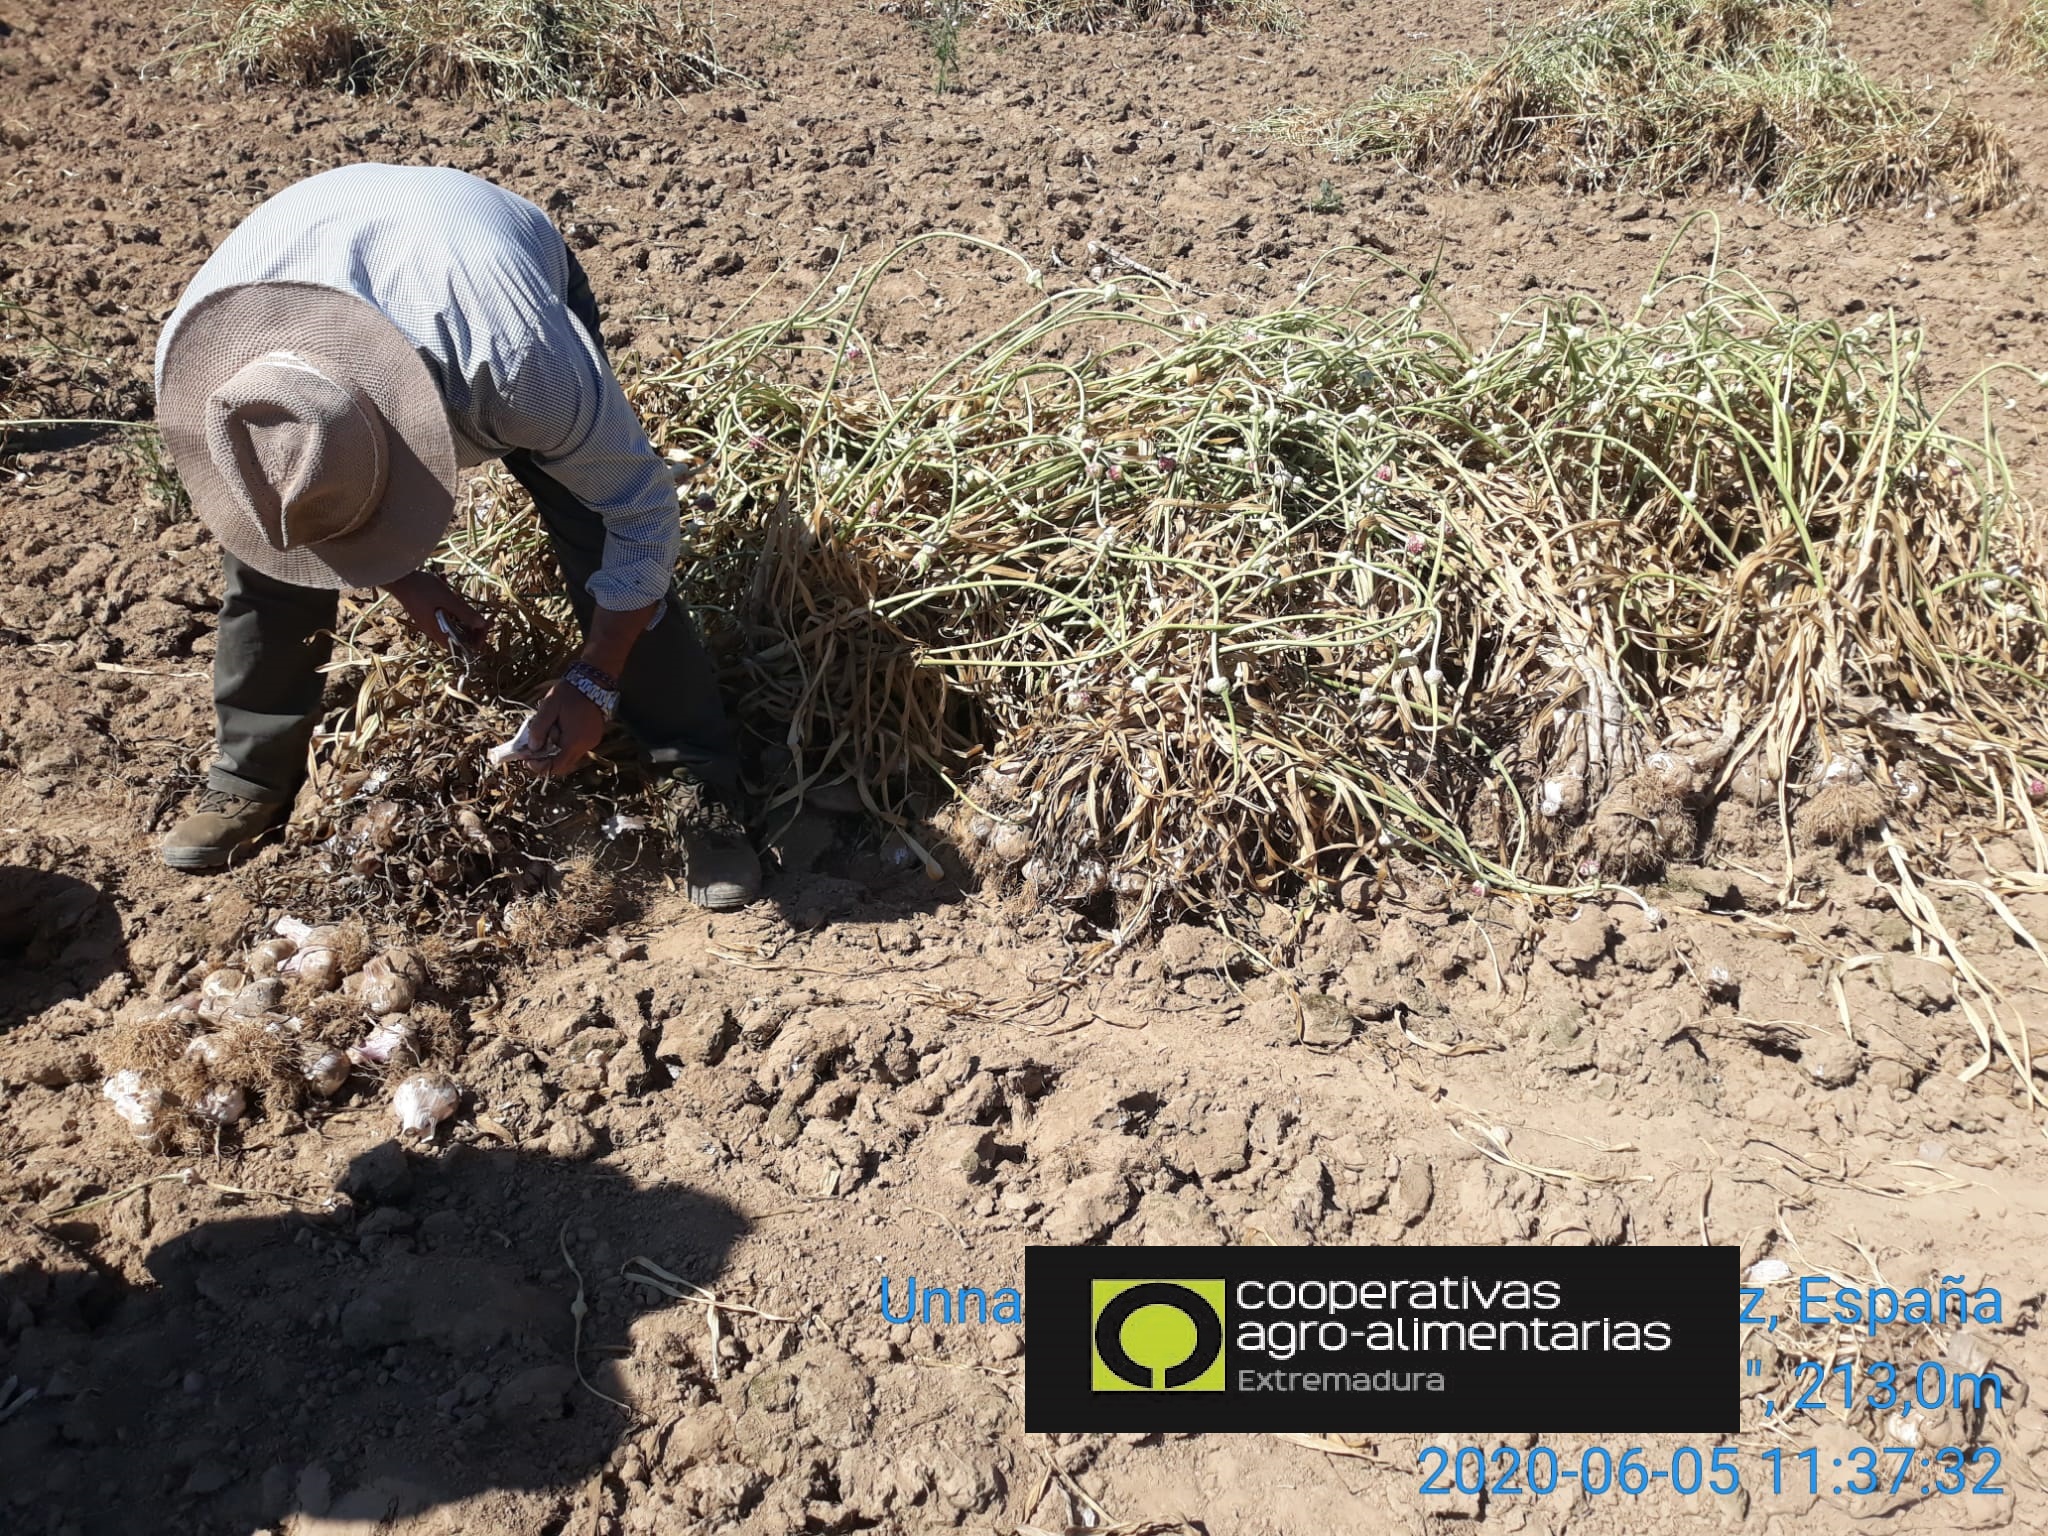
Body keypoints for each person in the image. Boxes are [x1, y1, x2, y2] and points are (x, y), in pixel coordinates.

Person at [151, 162, 760, 909]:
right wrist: (401, 572)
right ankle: (248, 774)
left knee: (592, 526)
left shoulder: (519, 366)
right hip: (308, 242)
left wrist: (596, 673)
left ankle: (696, 773)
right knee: (268, 556)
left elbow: (639, 510)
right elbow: (300, 501)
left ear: (417, 434)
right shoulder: (213, 379)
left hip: (486, 252)